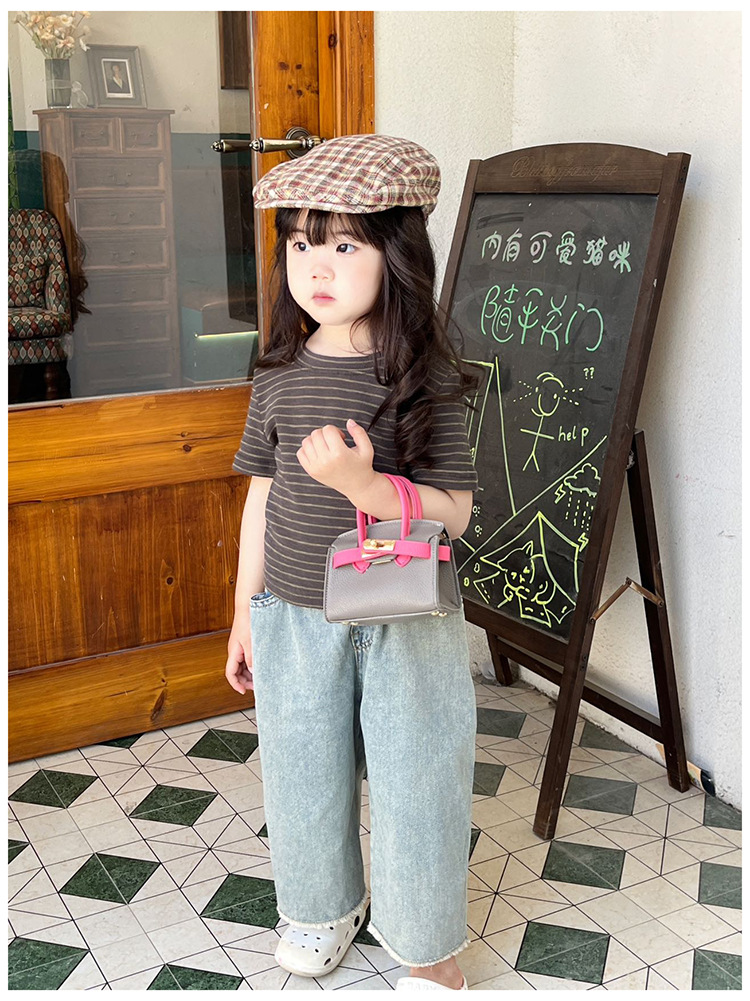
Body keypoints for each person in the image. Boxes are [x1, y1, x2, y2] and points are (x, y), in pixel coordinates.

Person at [226, 134, 481, 991]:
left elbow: (455, 514)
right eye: (301, 243)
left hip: (407, 616)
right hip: (296, 614)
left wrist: (365, 487)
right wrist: (245, 611)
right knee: (302, 770)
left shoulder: (420, 374)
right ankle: (322, 908)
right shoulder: (277, 374)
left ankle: (429, 944)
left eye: (343, 245)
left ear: (396, 253)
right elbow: (261, 498)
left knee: (417, 778)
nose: (316, 266)